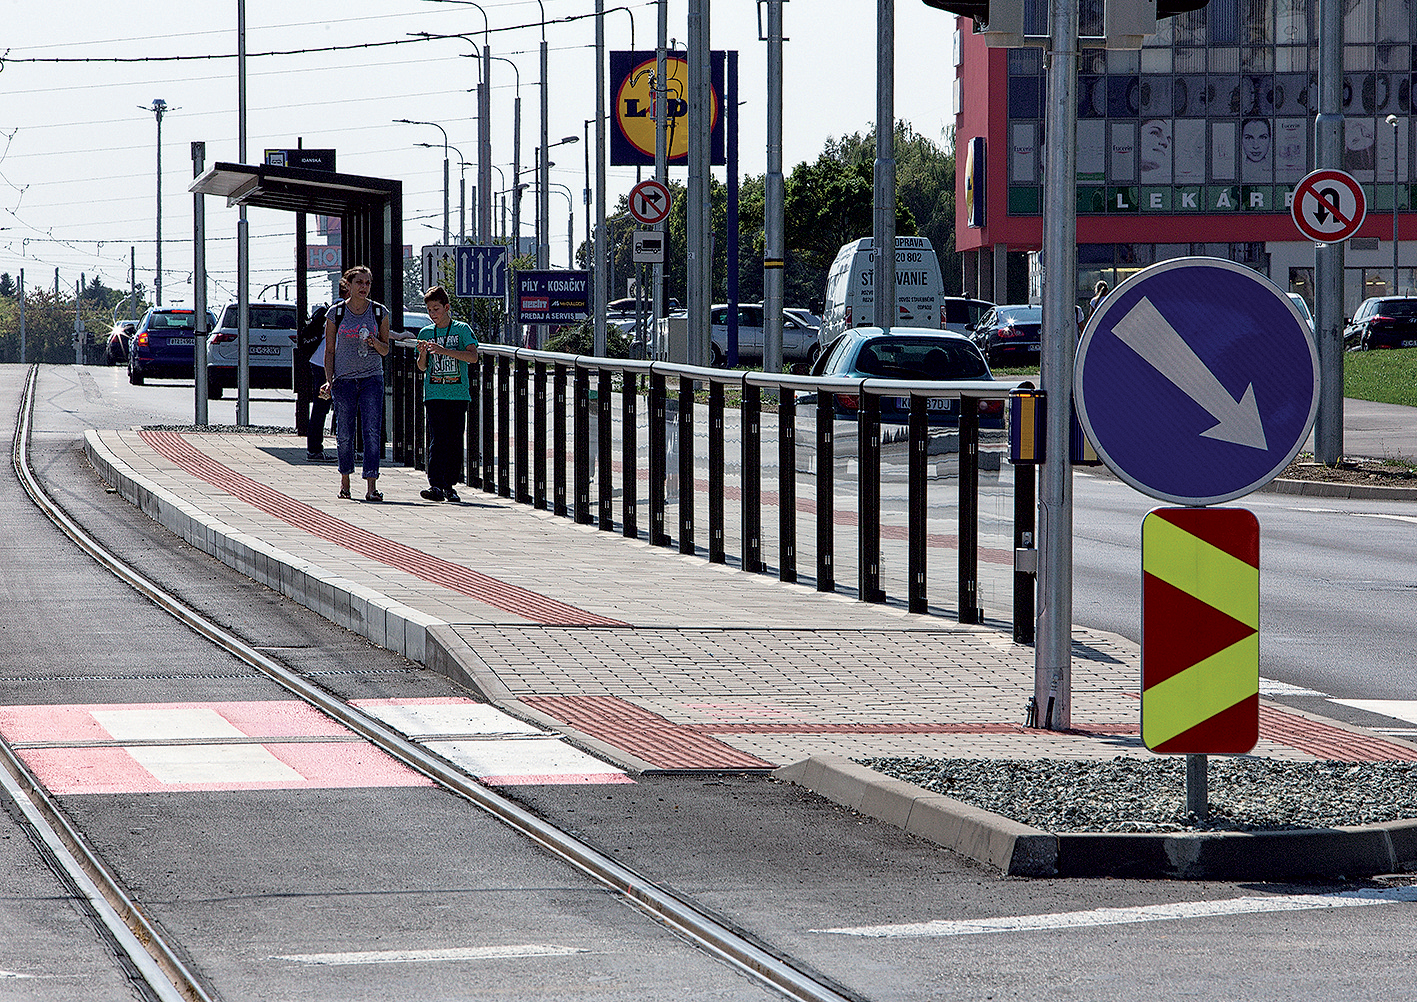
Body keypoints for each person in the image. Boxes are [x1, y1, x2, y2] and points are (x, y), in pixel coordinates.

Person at [322, 265, 390, 502]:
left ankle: (372, 485)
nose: (364, 287)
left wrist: (375, 343)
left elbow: (385, 349)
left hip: (372, 377)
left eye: (367, 283)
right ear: (348, 285)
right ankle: (345, 481)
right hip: (345, 380)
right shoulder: (336, 313)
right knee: (344, 433)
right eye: (359, 282)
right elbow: (329, 351)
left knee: (372, 431)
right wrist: (329, 381)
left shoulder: (379, 312)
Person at [415, 286, 479, 503]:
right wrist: (423, 354)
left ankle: (450, 484)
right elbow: (422, 367)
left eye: (437, 309)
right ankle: (435, 484)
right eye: (430, 310)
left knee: (454, 439)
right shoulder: (425, 333)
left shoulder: (461, 329)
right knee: (438, 438)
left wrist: (444, 351)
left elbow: (473, 357)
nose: (433, 314)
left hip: (457, 394)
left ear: (446, 307)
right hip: (434, 393)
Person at [299, 301, 334, 461]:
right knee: (321, 406)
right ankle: (314, 450)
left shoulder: (335, 310)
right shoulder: (340, 311)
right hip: (325, 366)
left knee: (321, 406)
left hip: (319, 363)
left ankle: (315, 449)